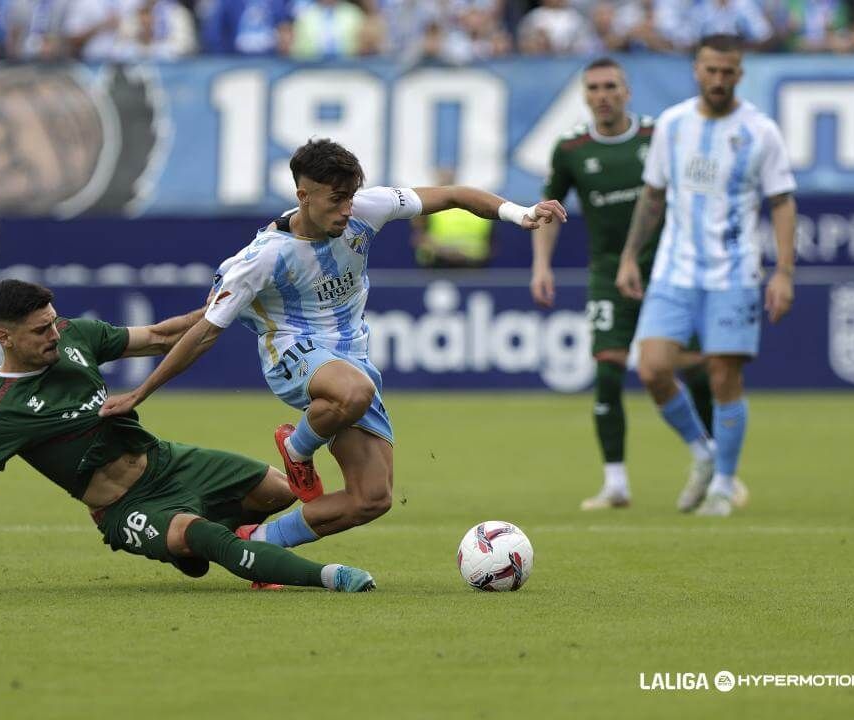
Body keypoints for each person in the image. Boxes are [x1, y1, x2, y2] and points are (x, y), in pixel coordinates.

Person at [100, 138, 566, 549]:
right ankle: (299, 448)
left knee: (372, 498)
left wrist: (520, 213)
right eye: (336, 199)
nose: (347, 210)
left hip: (351, 357)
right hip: (291, 353)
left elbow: (453, 195)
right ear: (303, 196)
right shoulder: (261, 259)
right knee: (354, 390)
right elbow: (203, 331)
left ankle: (258, 543)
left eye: (351, 197)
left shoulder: (366, 208)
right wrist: (142, 394)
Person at [0, 279, 376, 593]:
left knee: (279, 490)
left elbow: (159, 336)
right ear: (5, 337)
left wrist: (229, 305)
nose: (54, 333)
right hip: (126, 506)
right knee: (201, 536)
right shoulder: (0, 413)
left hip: (164, 460)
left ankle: (213, 544)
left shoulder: (76, 336)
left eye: (54, 321)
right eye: (41, 330)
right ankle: (329, 577)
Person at [616, 33, 797, 517]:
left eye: (728, 71)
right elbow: (653, 195)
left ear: (740, 73)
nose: (718, 79)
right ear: (697, 70)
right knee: (652, 367)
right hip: (675, 270)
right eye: (710, 70)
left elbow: (781, 202)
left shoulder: (761, 131)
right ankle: (703, 454)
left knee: (723, 375)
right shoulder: (672, 125)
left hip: (734, 273)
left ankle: (723, 484)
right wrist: (631, 256)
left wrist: (783, 272)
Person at [531, 57, 717, 511]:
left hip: (669, 268)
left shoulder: (658, 136)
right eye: (593, 87)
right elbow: (550, 208)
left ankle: (715, 465)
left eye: (611, 86)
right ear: (585, 95)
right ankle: (616, 482)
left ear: (627, 91)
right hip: (609, 271)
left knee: (692, 364)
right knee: (608, 368)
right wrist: (542, 265)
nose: (603, 95)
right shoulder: (571, 148)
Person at [411, 167, 495, 269]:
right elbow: (420, 237)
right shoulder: (476, 206)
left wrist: (449, 252)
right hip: (453, 264)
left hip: (460, 265)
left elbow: (419, 238)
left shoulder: (428, 207)